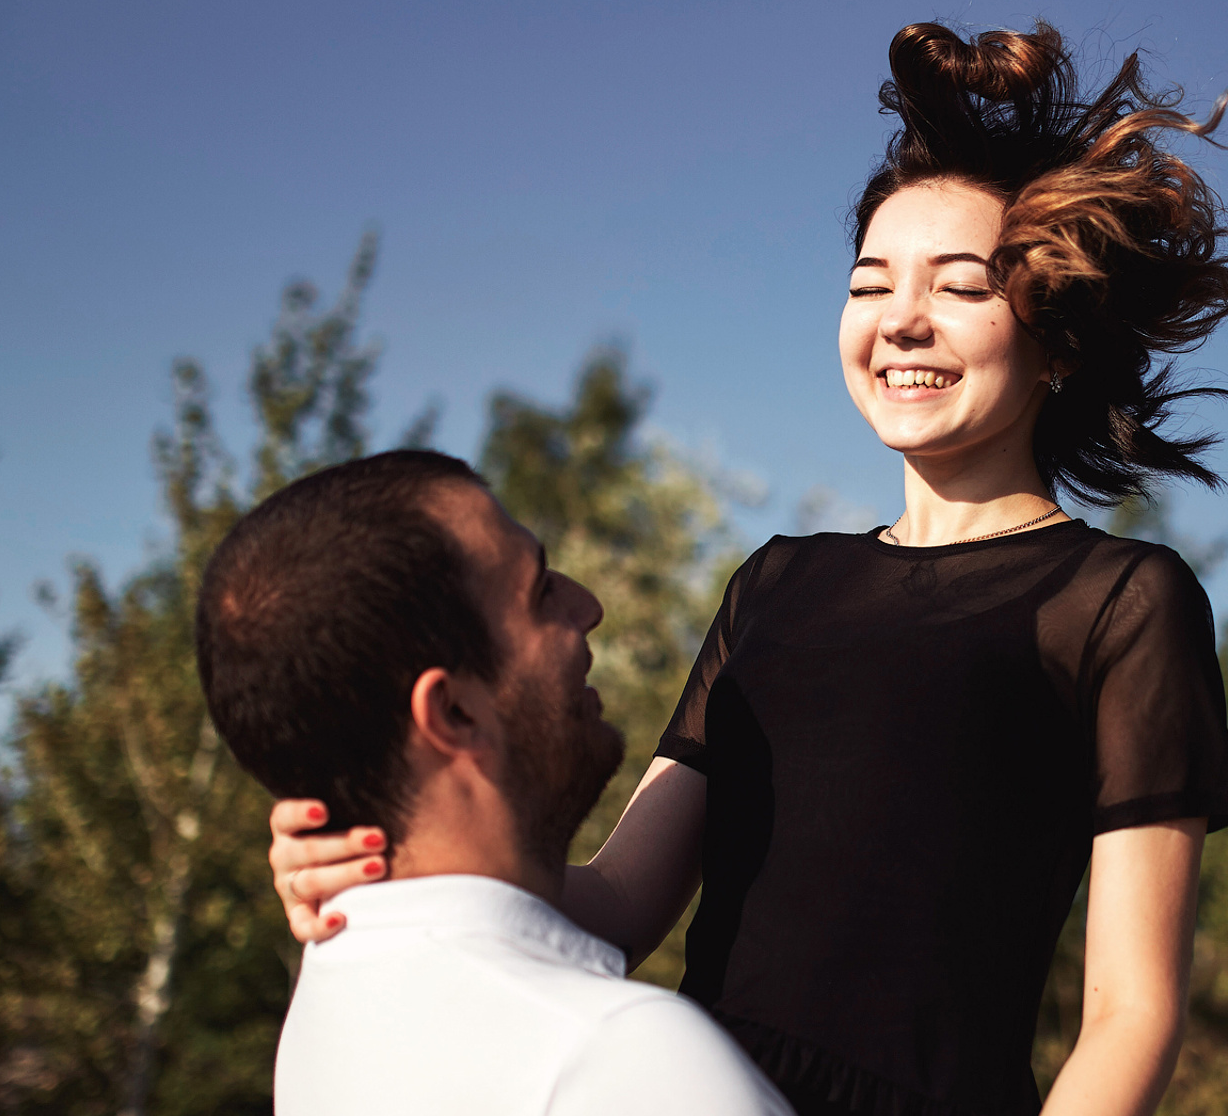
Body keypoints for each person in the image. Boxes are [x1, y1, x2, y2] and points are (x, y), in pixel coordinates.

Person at [270, 22, 1228, 1116]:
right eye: (870, 286)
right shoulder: (776, 584)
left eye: (961, 289)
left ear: (1058, 342)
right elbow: (612, 908)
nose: (901, 323)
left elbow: (1131, 1015)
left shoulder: (1120, 602)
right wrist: (385, 865)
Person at [196, 449, 793, 1116]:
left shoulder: (326, 1011)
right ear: (454, 712)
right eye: (540, 591)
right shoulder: (622, 1056)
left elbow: (618, 898)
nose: (589, 606)